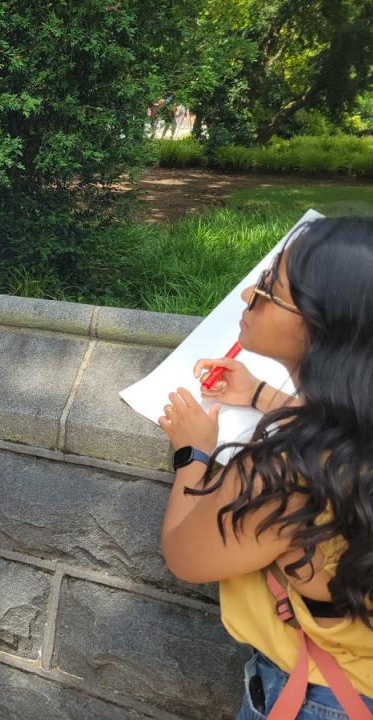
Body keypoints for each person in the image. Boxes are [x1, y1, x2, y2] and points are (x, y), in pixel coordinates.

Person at [157, 217, 373, 719]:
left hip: (319, 698)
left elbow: (184, 554)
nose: (247, 296)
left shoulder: (284, 472)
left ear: (321, 326)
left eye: (268, 291)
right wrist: (259, 394)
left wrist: (193, 455)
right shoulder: (352, 441)